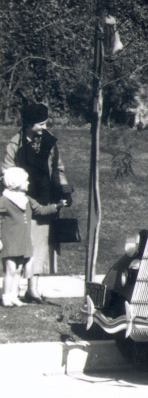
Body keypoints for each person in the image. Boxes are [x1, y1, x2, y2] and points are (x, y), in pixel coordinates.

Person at [2, 103, 73, 304]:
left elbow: (58, 169)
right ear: (29, 123)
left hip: (43, 198)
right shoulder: (15, 144)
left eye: (45, 123)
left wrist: (64, 191)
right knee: (21, 246)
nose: (43, 127)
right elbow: (6, 171)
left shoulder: (49, 142)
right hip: (20, 201)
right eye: (40, 124)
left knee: (40, 245)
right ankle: (13, 292)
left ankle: (33, 290)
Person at [0, 167, 66, 307]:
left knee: (18, 270)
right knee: (10, 269)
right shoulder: (4, 200)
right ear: (16, 183)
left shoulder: (27, 200)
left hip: (23, 241)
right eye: (26, 180)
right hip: (10, 241)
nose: (28, 183)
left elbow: (41, 210)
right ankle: (6, 297)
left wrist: (57, 206)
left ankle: (14, 296)